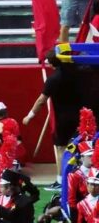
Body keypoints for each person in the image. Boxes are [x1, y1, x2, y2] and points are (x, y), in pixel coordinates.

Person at [24, 51, 83, 191]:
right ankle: (76, 178)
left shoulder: (53, 79)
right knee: (76, 147)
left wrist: (29, 116)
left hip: (62, 119)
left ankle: (61, 180)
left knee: (61, 148)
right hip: (79, 116)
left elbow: (41, 101)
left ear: (51, 63)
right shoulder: (76, 74)